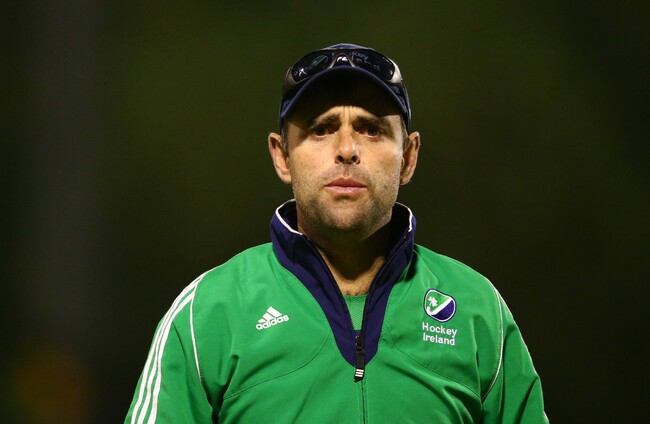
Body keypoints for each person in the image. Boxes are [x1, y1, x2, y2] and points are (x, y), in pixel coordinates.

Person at [125, 43, 548, 423]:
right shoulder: (208, 313)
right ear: (282, 156)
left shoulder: (478, 310)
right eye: (321, 129)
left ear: (408, 157)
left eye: (371, 129)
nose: (347, 149)